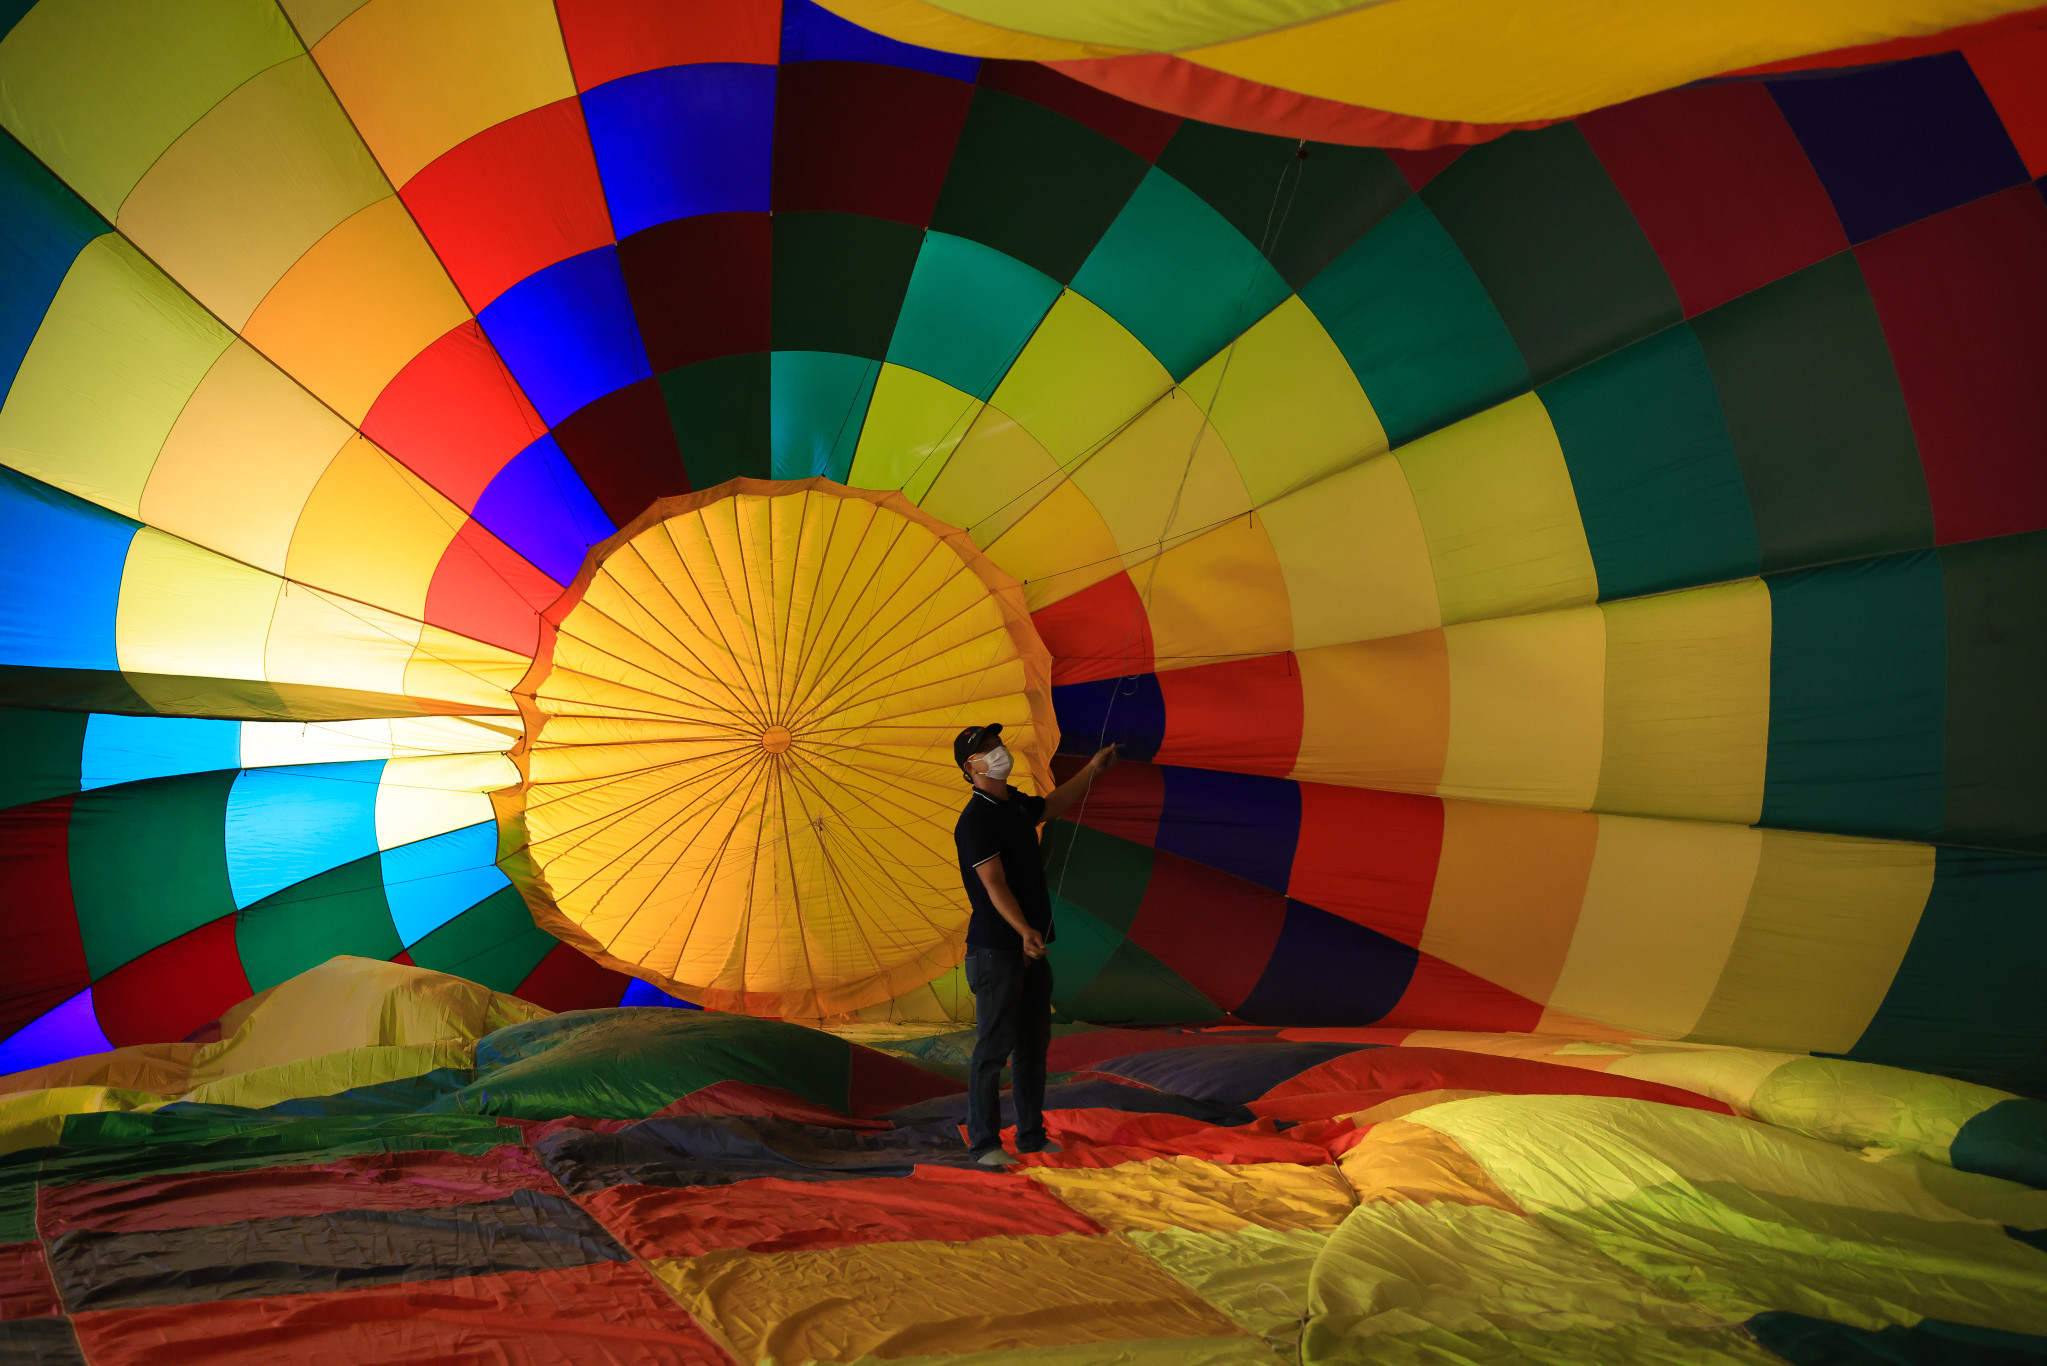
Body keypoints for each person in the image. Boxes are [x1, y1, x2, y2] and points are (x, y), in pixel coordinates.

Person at [952, 722, 1116, 1166]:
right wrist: (1023, 930)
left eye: (997, 743)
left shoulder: (1015, 806)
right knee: (993, 1048)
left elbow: (1054, 804)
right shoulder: (975, 820)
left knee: (1032, 1046)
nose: (998, 751)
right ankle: (984, 1143)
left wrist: (1093, 770)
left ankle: (1030, 1136)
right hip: (996, 949)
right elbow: (993, 884)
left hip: (1030, 946)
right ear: (971, 767)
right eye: (987, 749)